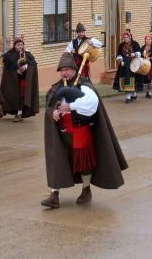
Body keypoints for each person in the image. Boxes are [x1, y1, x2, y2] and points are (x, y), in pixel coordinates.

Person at [41, 54, 127, 209]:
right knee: (57, 162)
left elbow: (91, 103)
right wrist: (52, 112)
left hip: (81, 131)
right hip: (62, 133)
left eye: (67, 69)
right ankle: (54, 196)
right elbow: (49, 107)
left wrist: (72, 106)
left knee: (83, 163)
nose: (64, 73)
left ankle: (86, 189)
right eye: (62, 70)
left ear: (74, 70)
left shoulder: (84, 85)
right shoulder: (56, 87)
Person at [0, 37, 39, 122]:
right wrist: (15, 70)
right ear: (14, 46)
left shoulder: (27, 54)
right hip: (12, 80)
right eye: (18, 45)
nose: (20, 46)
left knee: (22, 97)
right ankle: (12, 111)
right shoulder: (10, 54)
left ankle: (19, 114)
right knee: (13, 97)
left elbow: (33, 64)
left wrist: (26, 67)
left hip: (23, 80)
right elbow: (7, 65)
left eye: (21, 45)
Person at [113, 30, 142, 103]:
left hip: (133, 63)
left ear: (130, 37)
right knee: (126, 79)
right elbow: (118, 55)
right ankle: (129, 96)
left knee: (133, 79)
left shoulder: (135, 44)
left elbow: (139, 53)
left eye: (127, 37)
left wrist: (135, 54)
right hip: (124, 64)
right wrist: (121, 60)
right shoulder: (121, 45)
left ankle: (131, 94)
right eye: (124, 37)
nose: (126, 38)